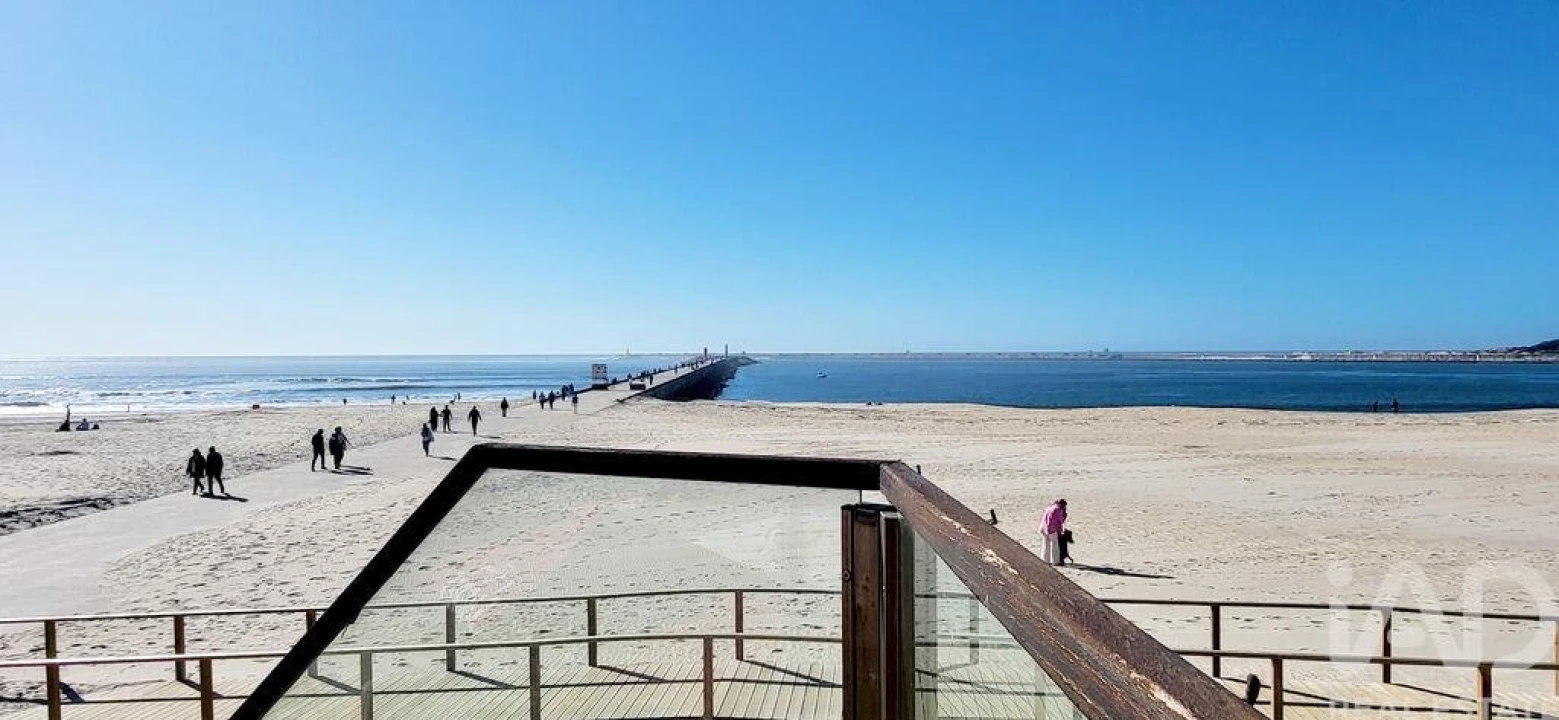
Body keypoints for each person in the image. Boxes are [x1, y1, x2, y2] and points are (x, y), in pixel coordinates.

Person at [1041, 499, 1068, 565]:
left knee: (1046, 544)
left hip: (1043, 527)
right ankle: (1055, 561)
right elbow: (1060, 521)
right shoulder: (1058, 510)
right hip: (1052, 529)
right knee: (1054, 546)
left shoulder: (1049, 508)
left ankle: (1045, 560)